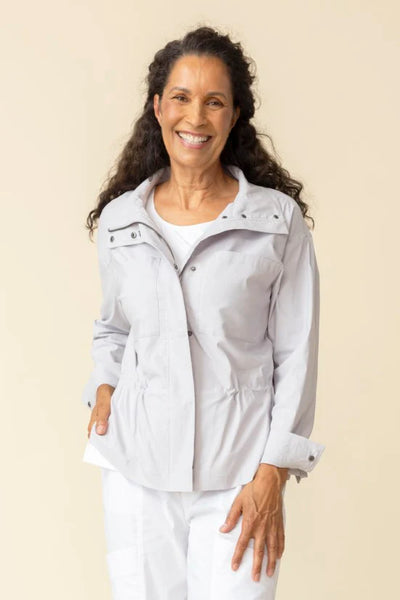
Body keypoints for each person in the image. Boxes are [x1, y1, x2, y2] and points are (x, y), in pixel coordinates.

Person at [81, 25, 325, 600]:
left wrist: (274, 471)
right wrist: (105, 384)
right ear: (158, 107)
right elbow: (113, 327)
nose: (196, 116)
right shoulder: (121, 220)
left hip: (239, 477)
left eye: (214, 101)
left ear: (235, 115)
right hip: (137, 472)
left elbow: (297, 353)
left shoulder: (276, 221)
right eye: (182, 97)